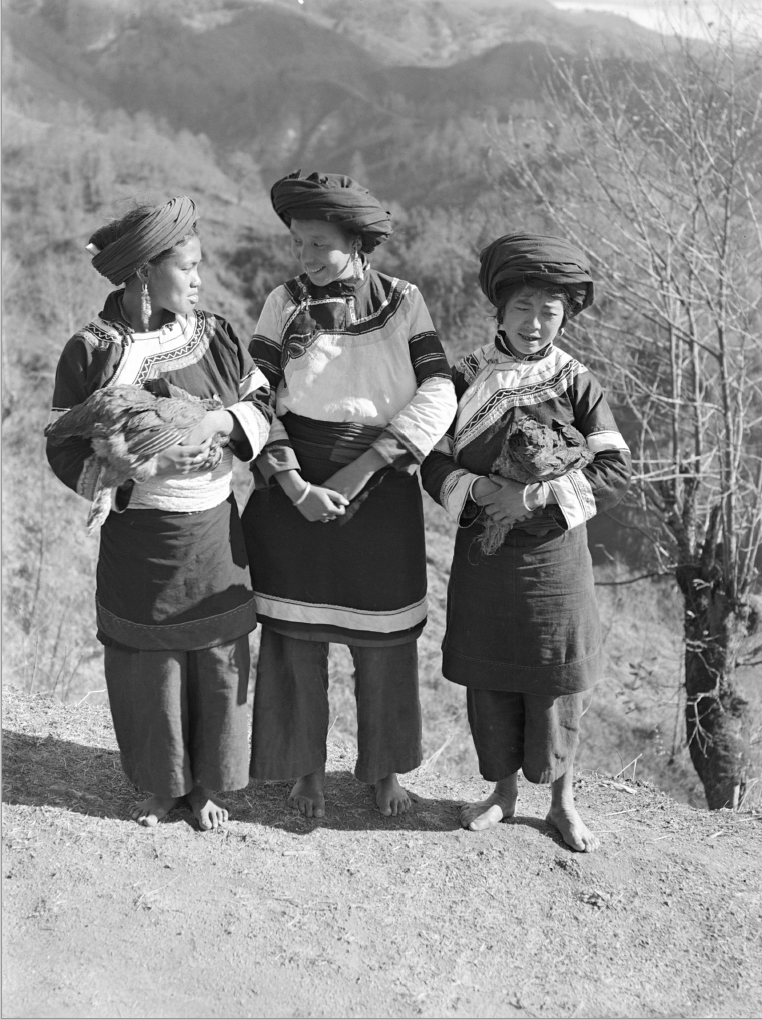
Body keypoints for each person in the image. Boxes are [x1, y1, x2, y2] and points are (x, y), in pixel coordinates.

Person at [46, 197, 272, 830]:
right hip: (139, 535)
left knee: (216, 655)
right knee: (149, 663)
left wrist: (217, 423)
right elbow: (62, 443)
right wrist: (138, 466)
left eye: (199, 266)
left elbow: (260, 404)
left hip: (214, 530)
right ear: (145, 271)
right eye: (188, 267)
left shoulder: (214, 334)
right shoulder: (91, 351)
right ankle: (161, 783)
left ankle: (207, 787)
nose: (199, 279)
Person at [242, 170, 456, 818]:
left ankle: (383, 772)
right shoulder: (283, 302)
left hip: (380, 489)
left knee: (385, 642)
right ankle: (303, 769)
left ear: (357, 243)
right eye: (299, 243)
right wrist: (292, 482)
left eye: (319, 244)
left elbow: (438, 390)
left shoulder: (404, 301)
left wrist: (364, 467)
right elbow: (256, 394)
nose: (304, 256)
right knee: (294, 639)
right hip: (295, 492)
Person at [421, 232, 631, 852]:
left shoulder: (576, 382)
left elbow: (614, 468)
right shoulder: (464, 376)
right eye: (523, 308)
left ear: (565, 318)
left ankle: (563, 802)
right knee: (491, 672)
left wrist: (532, 498)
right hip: (484, 556)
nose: (535, 323)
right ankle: (502, 794)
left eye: (549, 311)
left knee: (554, 677)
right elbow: (431, 459)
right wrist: (478, 490)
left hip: (553, 561)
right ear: (500, 310)